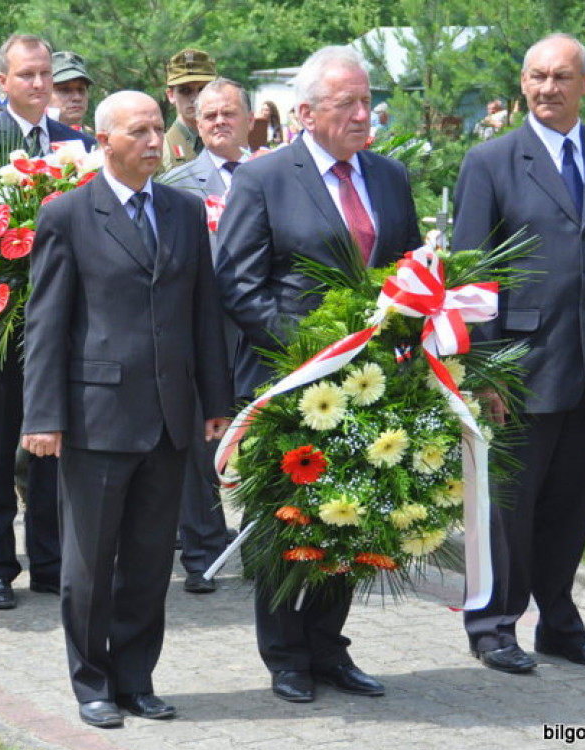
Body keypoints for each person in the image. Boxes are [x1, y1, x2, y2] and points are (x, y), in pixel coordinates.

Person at [216, 46, 421, 703]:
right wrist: (308, 355)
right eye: (347, 105)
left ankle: (328, 647)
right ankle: (284, 657)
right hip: (288, 381)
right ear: (305, 114)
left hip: (370, 386)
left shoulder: (388, 178)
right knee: (287, 522)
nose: (364, 115)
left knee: (351, 518)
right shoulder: (264, 179)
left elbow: (410, 275)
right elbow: (240, 284)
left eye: (368, 101)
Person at [21, 90, 231, 728]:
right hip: (95, 417)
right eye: (138, 131)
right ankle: (92, 683)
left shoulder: (184, 210)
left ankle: (136, 678)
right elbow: (47, 324)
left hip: (169, 415)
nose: (153, 141)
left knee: (146, 561)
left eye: (157, 130)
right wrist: (42, 416)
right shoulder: (67, 215)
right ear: (104, 139)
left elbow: (204, 312)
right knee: (89, 565)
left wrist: (215, 403)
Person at [451, 33, 585, 675]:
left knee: (572, 503)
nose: (547, 89)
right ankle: (493, 623)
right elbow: (470, 278)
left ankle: (559, 624)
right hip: (519, 365)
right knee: (511, 506)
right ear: (522, 81)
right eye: (536, 76)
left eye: (561, 77)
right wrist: (483, 369)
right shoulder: (491, 161)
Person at [0, 33, 95, 610]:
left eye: (45, 74)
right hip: (0, 317)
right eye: (27, 75)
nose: (40, 85)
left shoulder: (77, 144)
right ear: (3, 83)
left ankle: (49, 561)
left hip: (61, 320)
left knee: (52, 443)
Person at [166, 77, 253, 593]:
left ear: (247, 119)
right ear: (197, 125)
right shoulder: (180, 183)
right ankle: (201, 552)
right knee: (203, 443)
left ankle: (265, 549)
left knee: (264, 441)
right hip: (205, 332)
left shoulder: (272, 175)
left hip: (262, 333)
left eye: (229, 114)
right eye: (209, 116)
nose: (220, 122)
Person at [162, 48, 217, 168]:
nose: (195, 98)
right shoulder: (160, 151)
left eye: (202, 90)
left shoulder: (226, 145)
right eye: (185, 91)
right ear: (171, 95)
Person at [50, 51, 93, 132]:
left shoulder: (97, 142)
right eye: (65, 90)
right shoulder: (29, 141)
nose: (77, 97)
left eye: (81, 89)